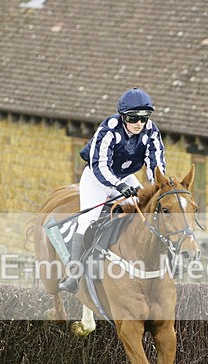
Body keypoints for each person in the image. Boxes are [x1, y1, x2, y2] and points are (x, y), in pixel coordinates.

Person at [58, 87, 166, 292]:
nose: (139, 123)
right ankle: (73, 274)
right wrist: (119, 185)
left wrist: (158, 187)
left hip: (125, 177)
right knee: (88, 220)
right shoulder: (109, 129)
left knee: (146, 212)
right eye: (133, 118)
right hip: (96, 179)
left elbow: (156, 163)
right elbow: (99, 165)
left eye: (144, 118)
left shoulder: (151, 130)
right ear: (123, 116)